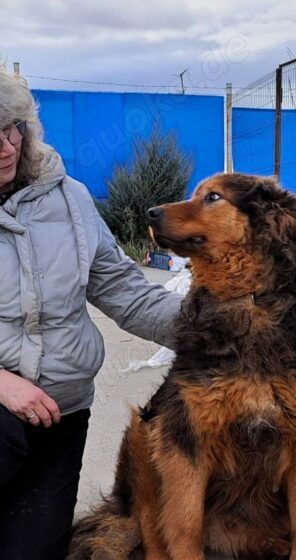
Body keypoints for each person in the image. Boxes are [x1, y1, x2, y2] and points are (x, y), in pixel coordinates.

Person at [0, 68, 183, 559]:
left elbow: (127, 292)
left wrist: (221, 322)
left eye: (10, 128)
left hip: (61, 410)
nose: (5, 147)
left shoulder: (71, 199)